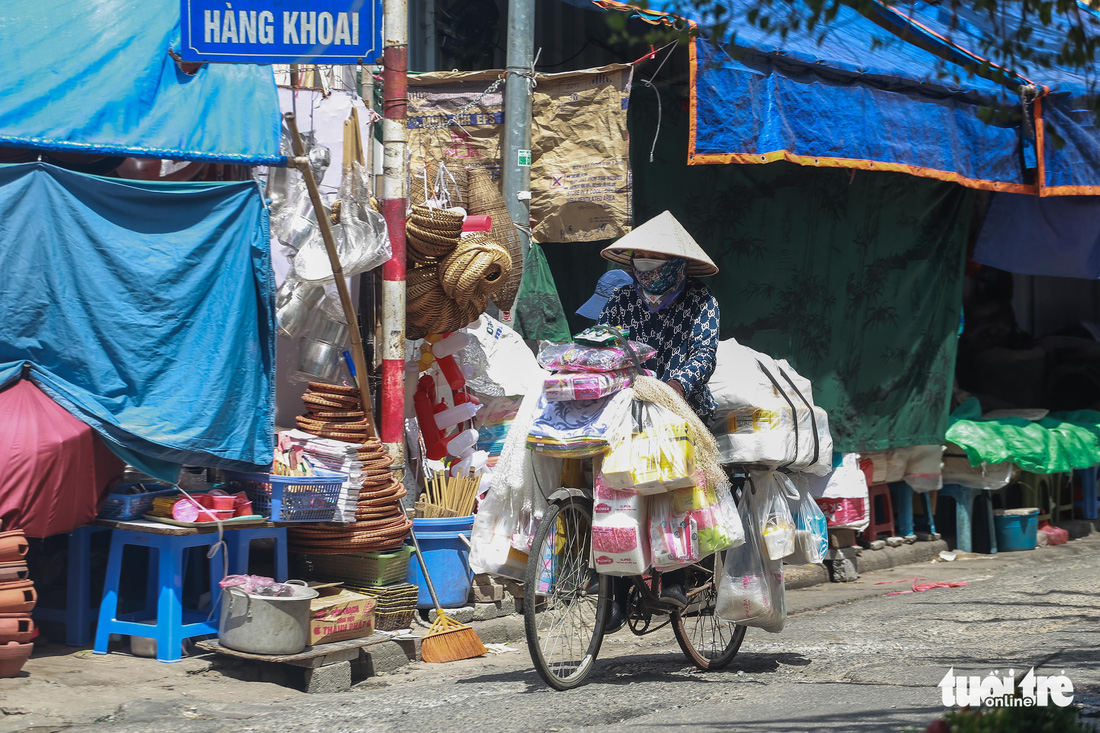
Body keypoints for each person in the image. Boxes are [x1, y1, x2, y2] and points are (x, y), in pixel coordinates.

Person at [594, 210, 721, 632]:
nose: (645, 268)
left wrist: (673, 389)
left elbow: (703, 354)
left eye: (655, 260)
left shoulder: (701, 301)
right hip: (625, 406)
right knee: (609, 488)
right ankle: (611, 586)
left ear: (677, 264)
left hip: (679, 406)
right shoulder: (622, 300)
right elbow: (603, 344)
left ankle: (676, 574)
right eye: (640, 260)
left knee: (672, 485)